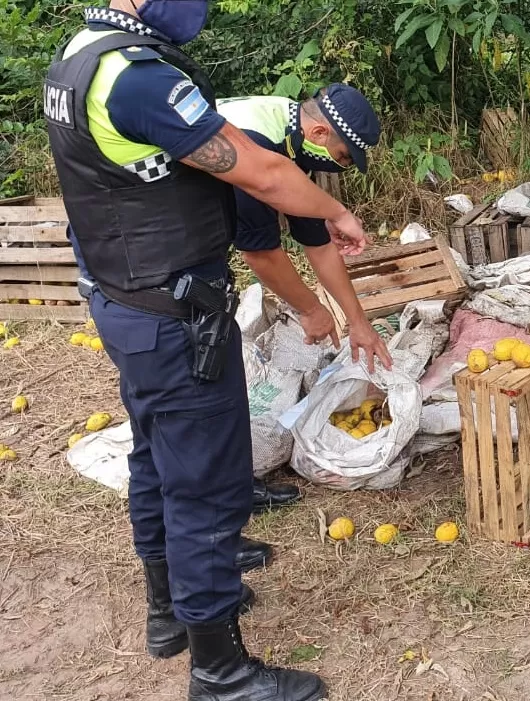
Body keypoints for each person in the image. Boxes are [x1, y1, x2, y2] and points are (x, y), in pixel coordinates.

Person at [44, 1, 370, 698]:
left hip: (128, 299)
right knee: (207, 487)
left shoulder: (81, 57)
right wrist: (337, 210)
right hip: (172, 316)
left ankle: (169, 613)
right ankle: (219, 669)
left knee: (156, 456)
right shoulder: (134, 78)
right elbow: (258, 173)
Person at [215, 88, 392, 372]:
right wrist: (310, 310)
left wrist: (358, 322)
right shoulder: (256, 141)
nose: (343, 166)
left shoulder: (292, 133)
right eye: (344, 156)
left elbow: (319, 245)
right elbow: (261, 255)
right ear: (320, 133)